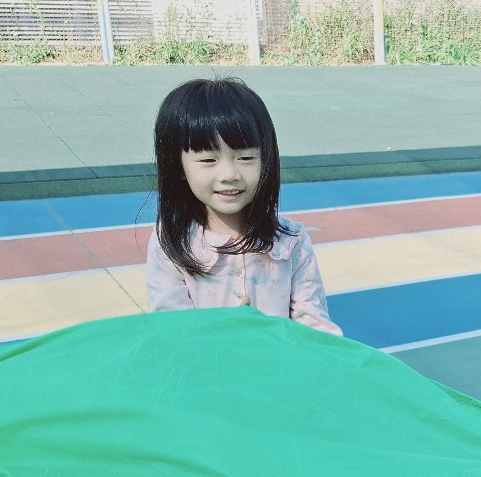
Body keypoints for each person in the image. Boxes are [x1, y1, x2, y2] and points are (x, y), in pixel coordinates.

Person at [145, 77, 341, 335]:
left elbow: (315, 328)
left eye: (246, 157)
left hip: (274, 361)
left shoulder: (292, 243)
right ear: (178, 165)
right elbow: (174, 332)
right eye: (208, 160)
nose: (229, 174)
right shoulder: (171, 244)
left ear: (265, 158)